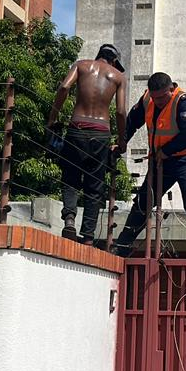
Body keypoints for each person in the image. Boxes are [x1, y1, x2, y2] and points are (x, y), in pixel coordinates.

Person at [111, 72, 186, 259]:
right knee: (144, 201)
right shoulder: (147, 99)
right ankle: (123, 245)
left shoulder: (182, 101)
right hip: (160, 161)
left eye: (161, 97)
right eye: (154, 97)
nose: (157, 101)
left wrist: (166, 150)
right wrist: (122, 142)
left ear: (170, 89)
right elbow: (132, 122)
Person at [47, 44, 127, 244]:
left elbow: (64, 87)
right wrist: (122, 141)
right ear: (114, 60)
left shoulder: (81, 66)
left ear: (98, 55)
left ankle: (70, 220)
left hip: (77, 128)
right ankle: (89, 236)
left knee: (71, 177)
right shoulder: (118, 77)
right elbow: (120, 112)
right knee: (95, 185)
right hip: (101, 133)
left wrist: (53, 117)